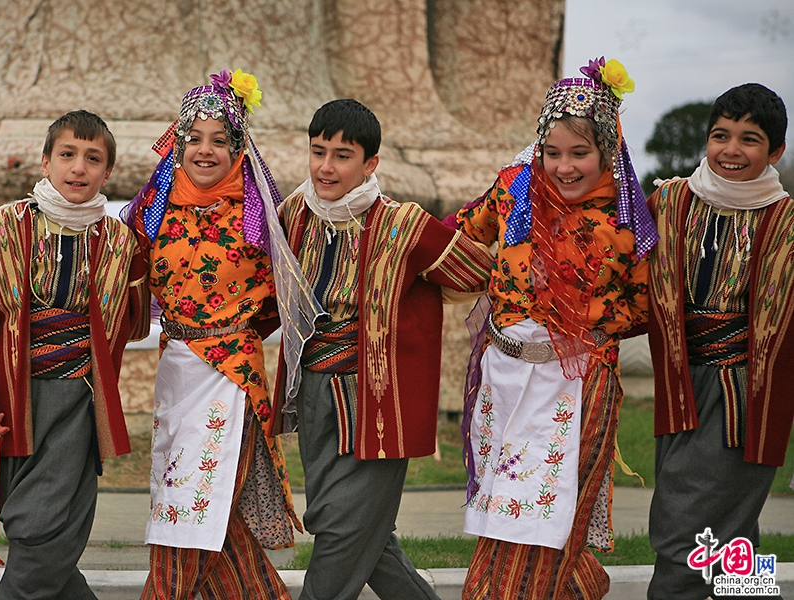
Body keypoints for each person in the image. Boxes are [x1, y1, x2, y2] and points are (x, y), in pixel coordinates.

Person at [271, 98, 494, 600]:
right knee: (352, 527)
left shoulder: (404, 225)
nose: (326, 166)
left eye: (343, 155)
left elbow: (477, 272)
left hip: (377, 399)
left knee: (340, 530)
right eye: (318, 151)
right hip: (313, 391)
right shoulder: (292, 215)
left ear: (370, 163)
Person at [450, 58, 656, 599]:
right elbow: (461, 234)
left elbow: (645, 304)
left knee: (545, 515)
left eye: (579, 153)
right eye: (552, 152)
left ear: (608, 151)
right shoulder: (515, 190)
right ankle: (581, 586)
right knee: (503, 507)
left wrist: (582, 328)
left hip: (578, 384)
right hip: (503, 376)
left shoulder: (625, 218)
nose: (563, 167)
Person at [125, 69, 321, 600]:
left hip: (230, 373)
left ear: (239, 149)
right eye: (194, 139)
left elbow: (286, 295)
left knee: (193, 500)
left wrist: (235, 332)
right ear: (178, 144)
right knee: (194, 502)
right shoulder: (154, 212)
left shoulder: (259, 217)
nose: (205, 151)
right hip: (176, 369)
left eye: (220, 140)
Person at [0, 109, 151, 598]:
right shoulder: (5, 226)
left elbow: (133, 325)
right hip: (18, 399)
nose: (79, 167)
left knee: (41, 530)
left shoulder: (121, 241)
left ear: (108, 172)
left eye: (93, 158)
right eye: (67, 154)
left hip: (80, 401)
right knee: (32, 524)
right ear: (45, 162)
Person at [646, 83, 790, 600]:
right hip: (680, 384)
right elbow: (620, 268)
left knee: (683, 530)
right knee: (729, 535)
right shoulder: (669, 200)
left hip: (744, 396)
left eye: (749, 139)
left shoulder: (787, 222)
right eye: (719, 135)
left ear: (775, 152)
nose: (730, 150)